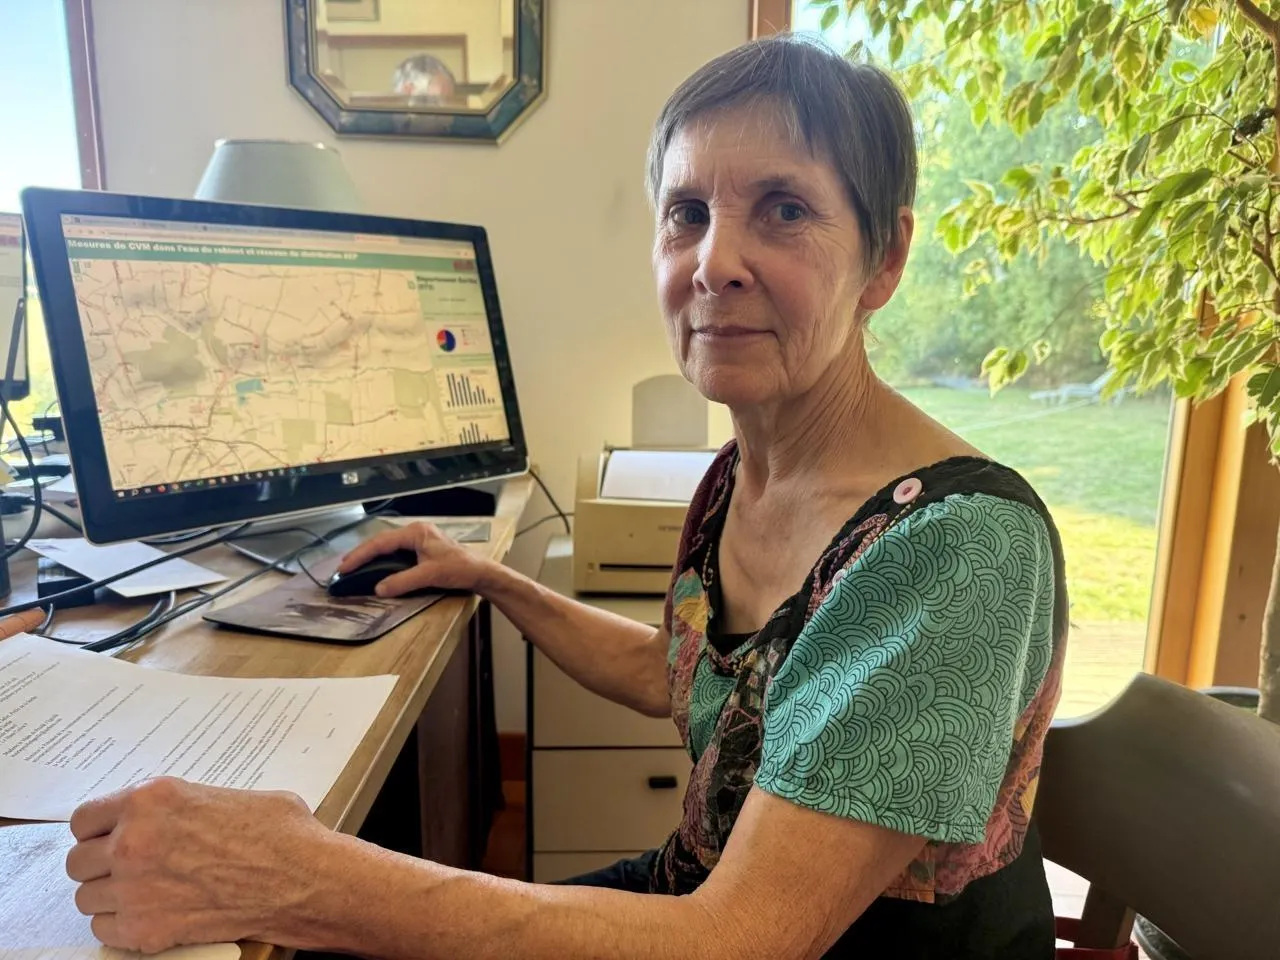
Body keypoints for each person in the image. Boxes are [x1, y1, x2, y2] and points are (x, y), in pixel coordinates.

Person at [63, 34, 1068, 959]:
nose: (714, 264)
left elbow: (745, 940)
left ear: (883, 258)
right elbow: (689, 676)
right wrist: (490, 580)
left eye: (784, 210)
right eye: (687, 214)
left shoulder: (955, 547)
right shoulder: (737, 476)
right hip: (696, 898)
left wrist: (302, 875)